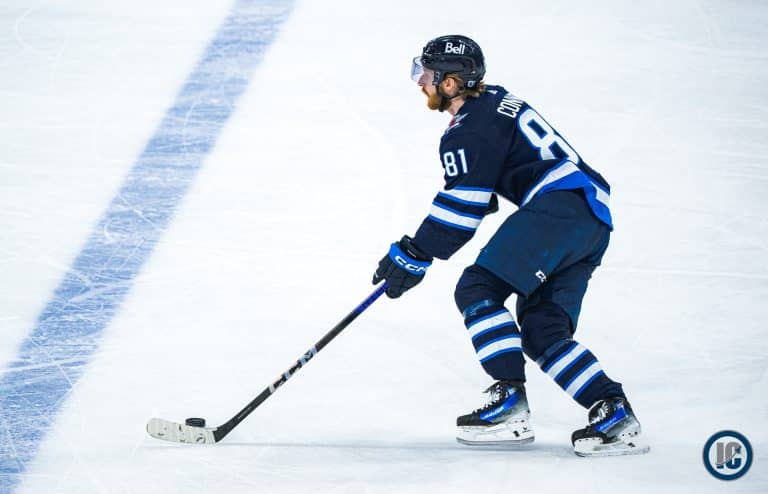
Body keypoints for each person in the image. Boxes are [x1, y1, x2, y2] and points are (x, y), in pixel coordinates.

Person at [371, 35, 649, 457]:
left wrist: (413, 252)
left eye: (426, 74)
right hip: (591, 220)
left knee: (477, 289)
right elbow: (480, 195)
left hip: (560, 208)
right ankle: (614, 412)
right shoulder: (495, 101)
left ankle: (509, 404)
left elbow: (463, 208)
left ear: (450, 83)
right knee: (542, 330)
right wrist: (426, 246)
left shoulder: (468, 130)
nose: (420, 82)